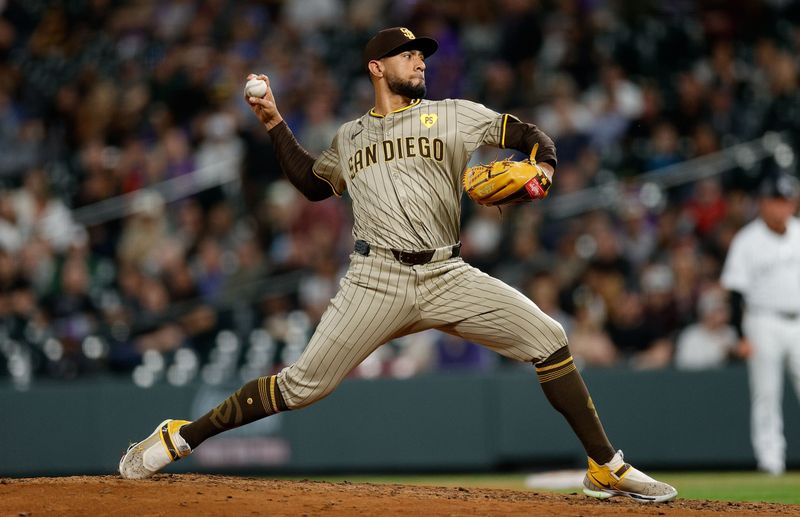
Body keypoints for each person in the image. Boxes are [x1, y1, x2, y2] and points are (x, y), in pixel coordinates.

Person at [118, 27, 676, 502]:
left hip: (446, 272)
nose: (420, 61)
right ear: (376, 68)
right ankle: (179, 436)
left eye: (423, 56)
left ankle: (606, 466)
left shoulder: (453, 115)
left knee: (549, 337)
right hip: (375, 278)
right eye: (409, 55)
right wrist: (272, 121)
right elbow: (314, 186)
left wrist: (545, 167)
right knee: (300, 387)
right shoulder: (351, 135)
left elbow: (528, 134)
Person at [720, 170, 800, 475]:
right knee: (766, 393)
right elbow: (735, 294)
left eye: (786, 200)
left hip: (798, 322)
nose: (782, 207)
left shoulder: (798, 231)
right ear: (763, 203)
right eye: (776, 200)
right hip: (762, 321)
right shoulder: (748, 240)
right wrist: (740, 334)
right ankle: (771, 461)